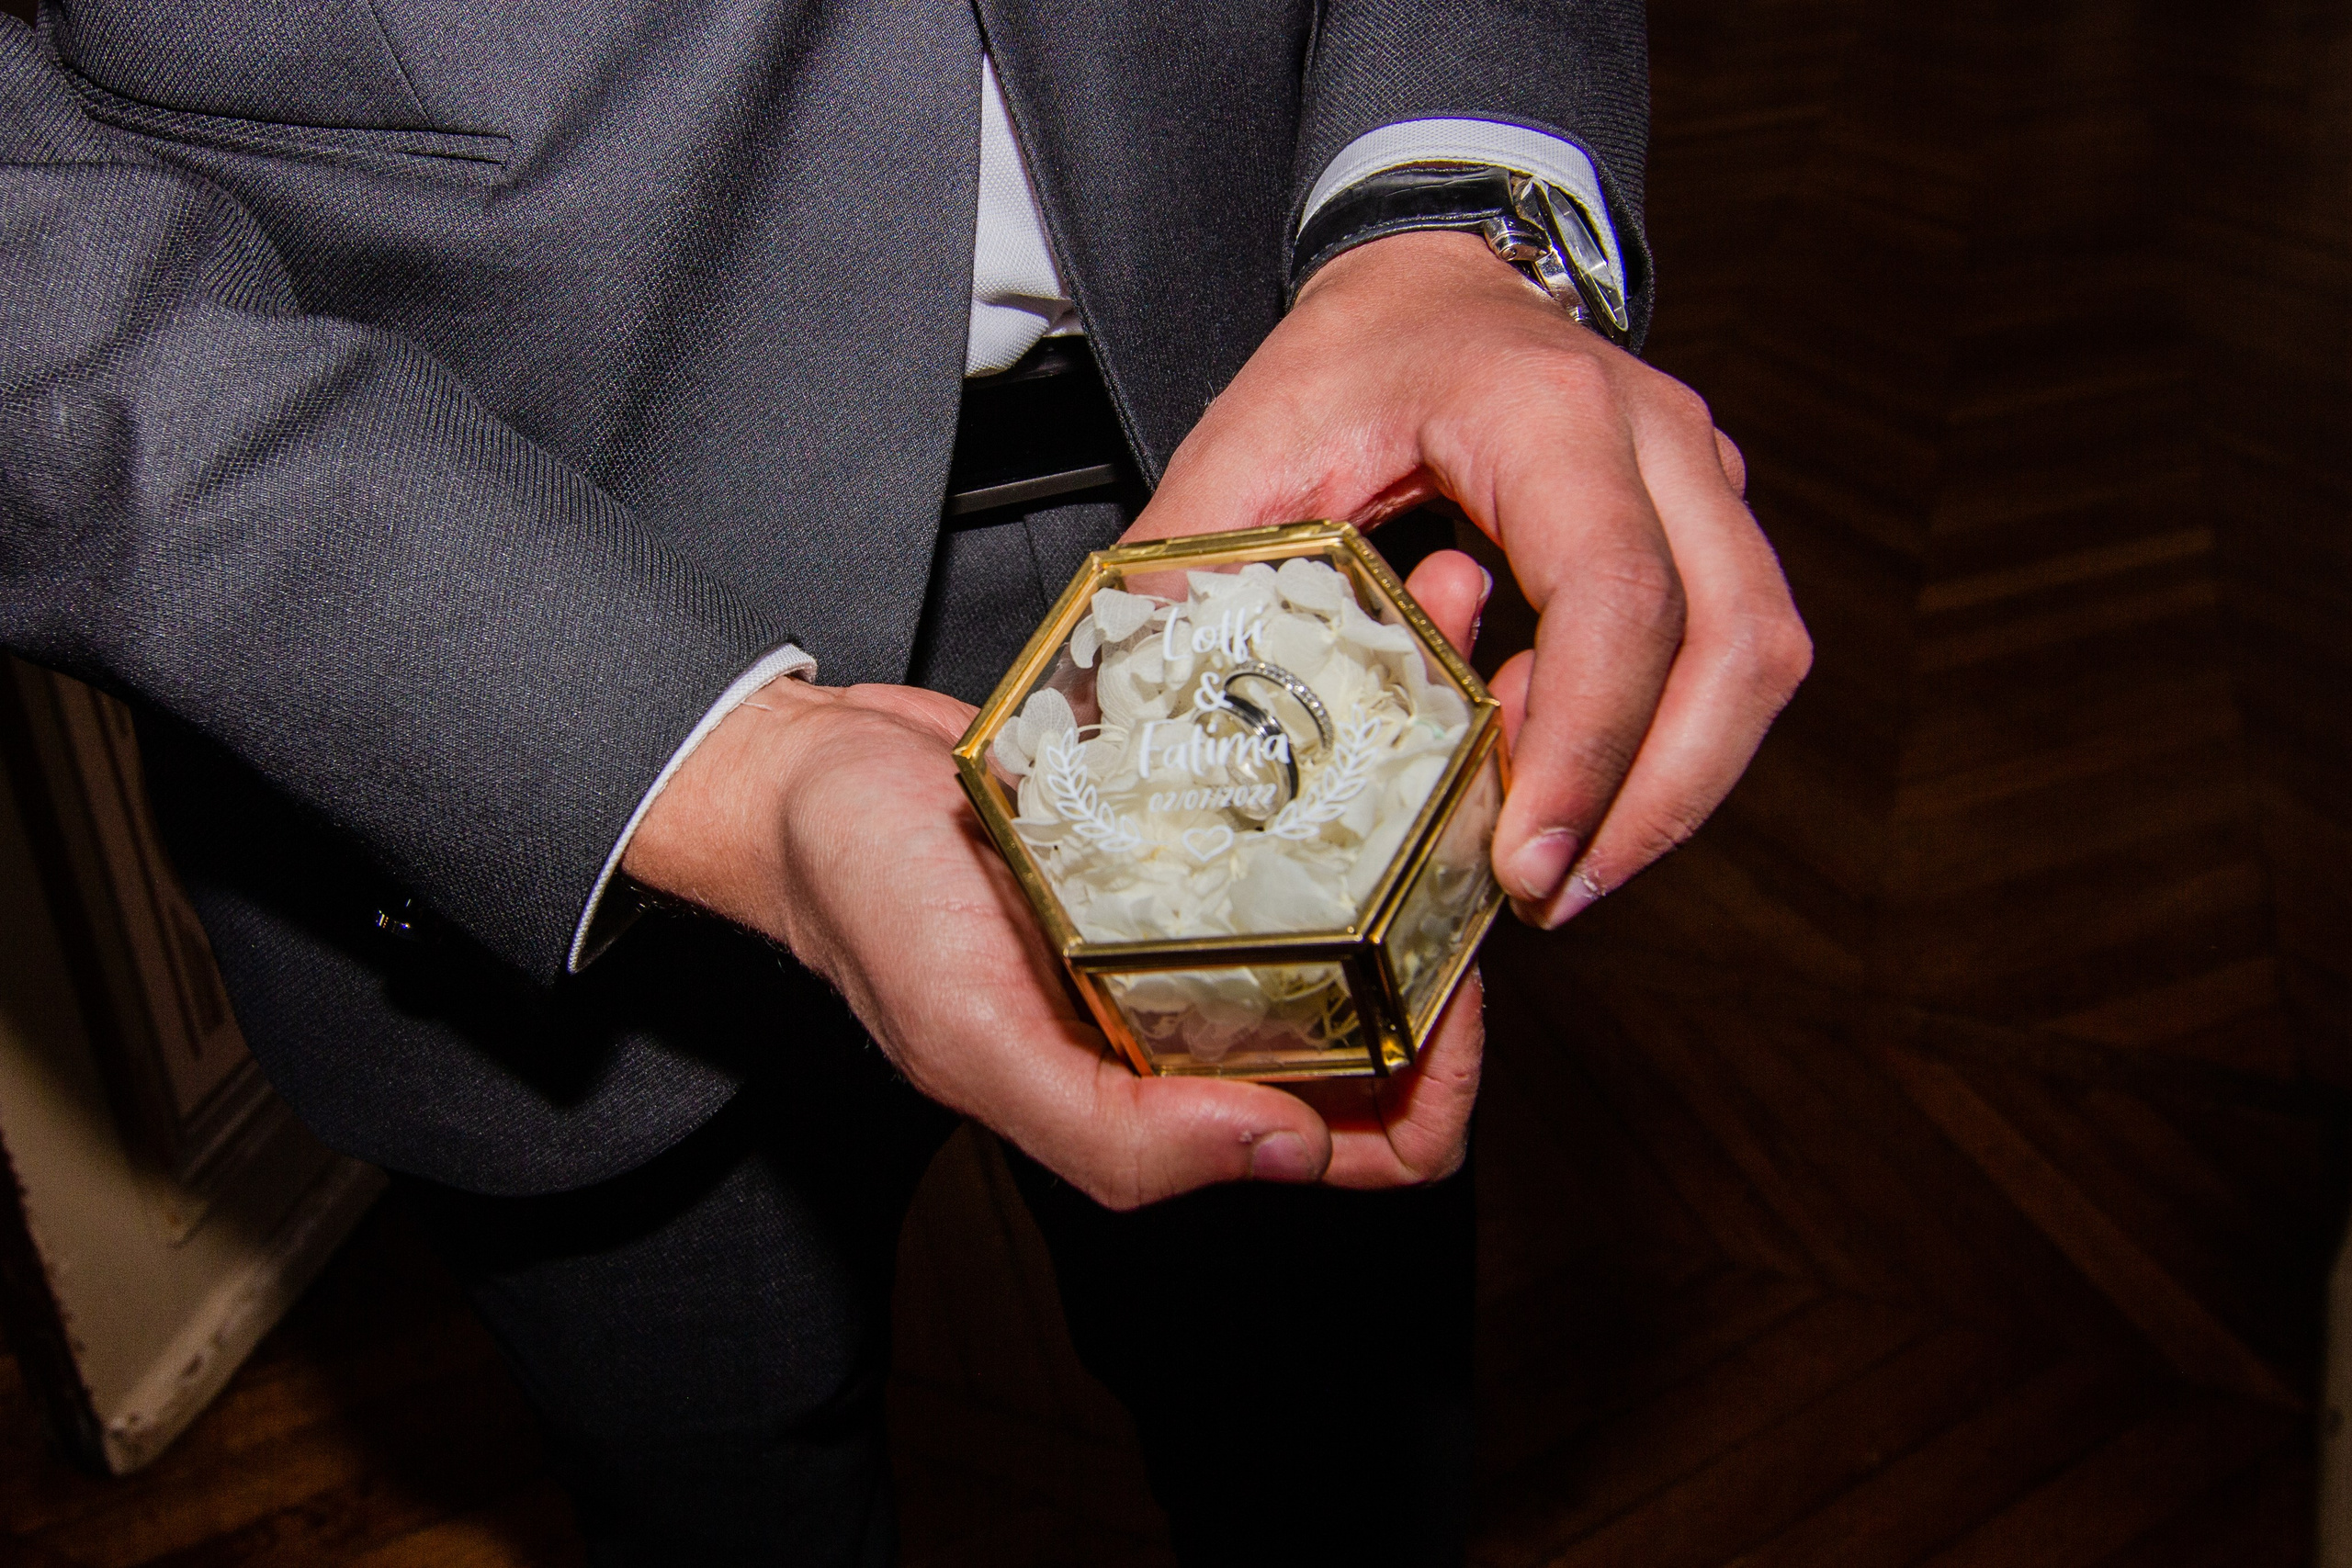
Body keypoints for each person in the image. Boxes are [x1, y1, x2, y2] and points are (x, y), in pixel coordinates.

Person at [0, 1, 1807, 1561]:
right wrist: (718, 777)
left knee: (1330, 1464)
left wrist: (1452, 230)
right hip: (493, 676)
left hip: (1264, 519)